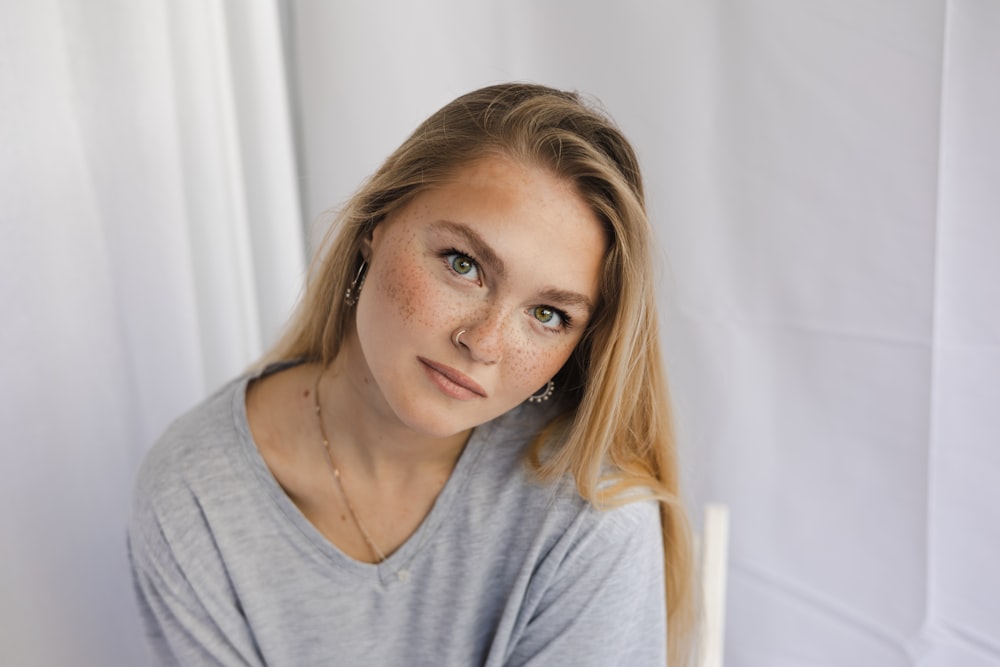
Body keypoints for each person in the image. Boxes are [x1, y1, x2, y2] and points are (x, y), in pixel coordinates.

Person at [128, 82, 695, 666]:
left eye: (548, 315)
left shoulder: (591, 514)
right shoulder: (195, 493)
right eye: (464, 264)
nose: (483, 343)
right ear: (376, 224)